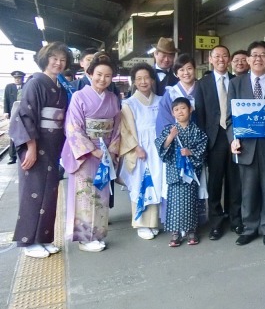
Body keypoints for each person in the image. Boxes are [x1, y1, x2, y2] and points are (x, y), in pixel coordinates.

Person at [9, 43, 71, 258]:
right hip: (37, 144)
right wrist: (31, 147)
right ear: (45, 59)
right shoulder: (35, 83)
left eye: (62, 59)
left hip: (53, 146)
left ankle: (43, 238)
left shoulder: (60, 87)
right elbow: (26, 116)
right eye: (54, 58)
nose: (58, 63)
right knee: (33, 192)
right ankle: (28, 242)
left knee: (50, 193)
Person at [228, 41, 265, 247]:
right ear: (248, 59)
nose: (258, 58)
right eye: (254, 55)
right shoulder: (236, 84)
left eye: (263, 55)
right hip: (246, 146)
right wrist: (232, 140)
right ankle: (249, 228)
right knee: (248, 190)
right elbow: (230, 119)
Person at [62, 53, 121, 253]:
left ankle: (97, 234)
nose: (102, 79)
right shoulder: (79, 96)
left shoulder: (113, 98)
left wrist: (111, 151)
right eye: (99, 74)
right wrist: (93, 150)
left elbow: (117, 128)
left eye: (107, 76)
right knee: (85, 195)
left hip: (105, 153)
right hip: (86, 154)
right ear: (90, 73)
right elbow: (73, 128)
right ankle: (84, 238)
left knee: (101, 195)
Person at [194, 46, 243, 241]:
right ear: (210, 59)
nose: (221, 59)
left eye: (224, 56)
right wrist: (203, 143)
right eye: (217, 56)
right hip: (214, 139)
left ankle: (235, 218)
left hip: (235, 136)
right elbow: (200, 115)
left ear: (229, 59)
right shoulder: (202, 84)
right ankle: (216, 222)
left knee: (235, 180)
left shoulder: (237, 81)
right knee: (215, 182)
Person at [155, 97, 208, 247]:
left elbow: (203, 149)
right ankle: (175, 233)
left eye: (183, 108)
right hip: (174, 172)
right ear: (172, 113)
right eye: (176, 109)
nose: (180, 112)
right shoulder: (170, 130)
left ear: (190, 109)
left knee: (191, 202)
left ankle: (192, 231)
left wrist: (190, 152)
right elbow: (160, 147)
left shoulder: (197, 131)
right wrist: (170, 137)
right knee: (174, 203)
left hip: (190, 173)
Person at [119, 63, 163, 240]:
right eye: (139, 79)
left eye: (146, 78)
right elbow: (124, 130)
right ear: (134, 82)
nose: (143, 82)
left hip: (157, 148)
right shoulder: (128, 104)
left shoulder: (160, 101)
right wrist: (136, 148)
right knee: (141, 184)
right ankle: (141, 223)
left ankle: (153, 222)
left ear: (152, 80)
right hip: (140, 149)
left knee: (156, 182)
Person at [156, 54, 199, 134]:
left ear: (194, 69)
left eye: (189, 68)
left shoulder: (203, 89)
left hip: (201, 137)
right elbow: (164, 118)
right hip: (177, 138)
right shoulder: (171, 93)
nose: (186, 73)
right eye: (181, 70)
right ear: (176, 73)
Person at [4, 70, 26, 164]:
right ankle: (12, 156)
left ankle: (24, 155)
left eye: (19, 78)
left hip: (24, 114)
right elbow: (6, 99)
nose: (17, 80)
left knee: (25, 133)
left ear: (22, 78)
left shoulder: (26, 87)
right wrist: (6, 112)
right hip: (13, 114)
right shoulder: (9, 87)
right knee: (13, 134)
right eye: (16, 78)